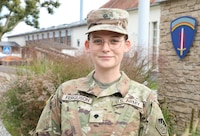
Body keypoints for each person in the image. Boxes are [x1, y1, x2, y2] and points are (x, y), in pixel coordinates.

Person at [34, 8, 168, 136]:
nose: (105, 48)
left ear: (126, 45)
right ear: (88, 46)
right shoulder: (65, 93)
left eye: (114, 41)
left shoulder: (143, 98)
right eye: (98, 41)